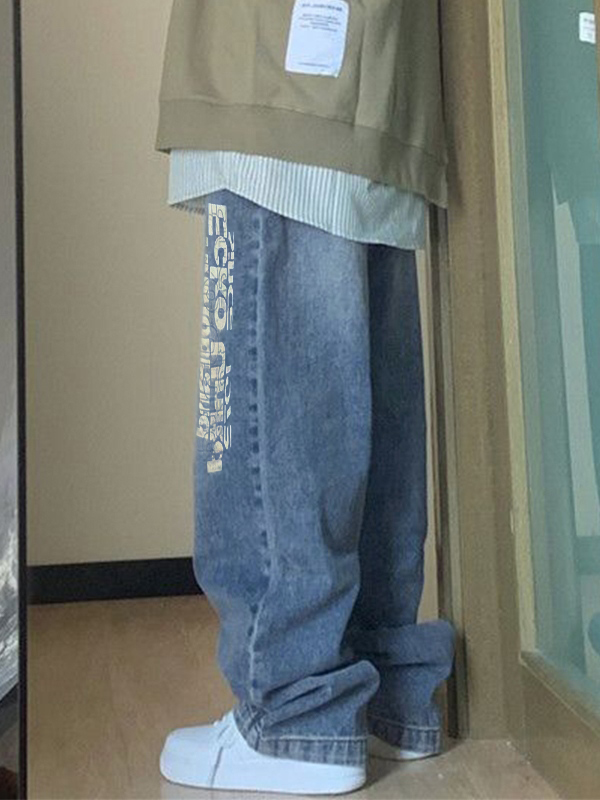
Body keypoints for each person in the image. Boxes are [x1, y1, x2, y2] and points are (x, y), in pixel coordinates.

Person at [154, 0, 456, 793]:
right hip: (378, 80)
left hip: (273, 71)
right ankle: (381, 691)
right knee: (366, 389)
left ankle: (297, 709)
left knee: (265, 389)